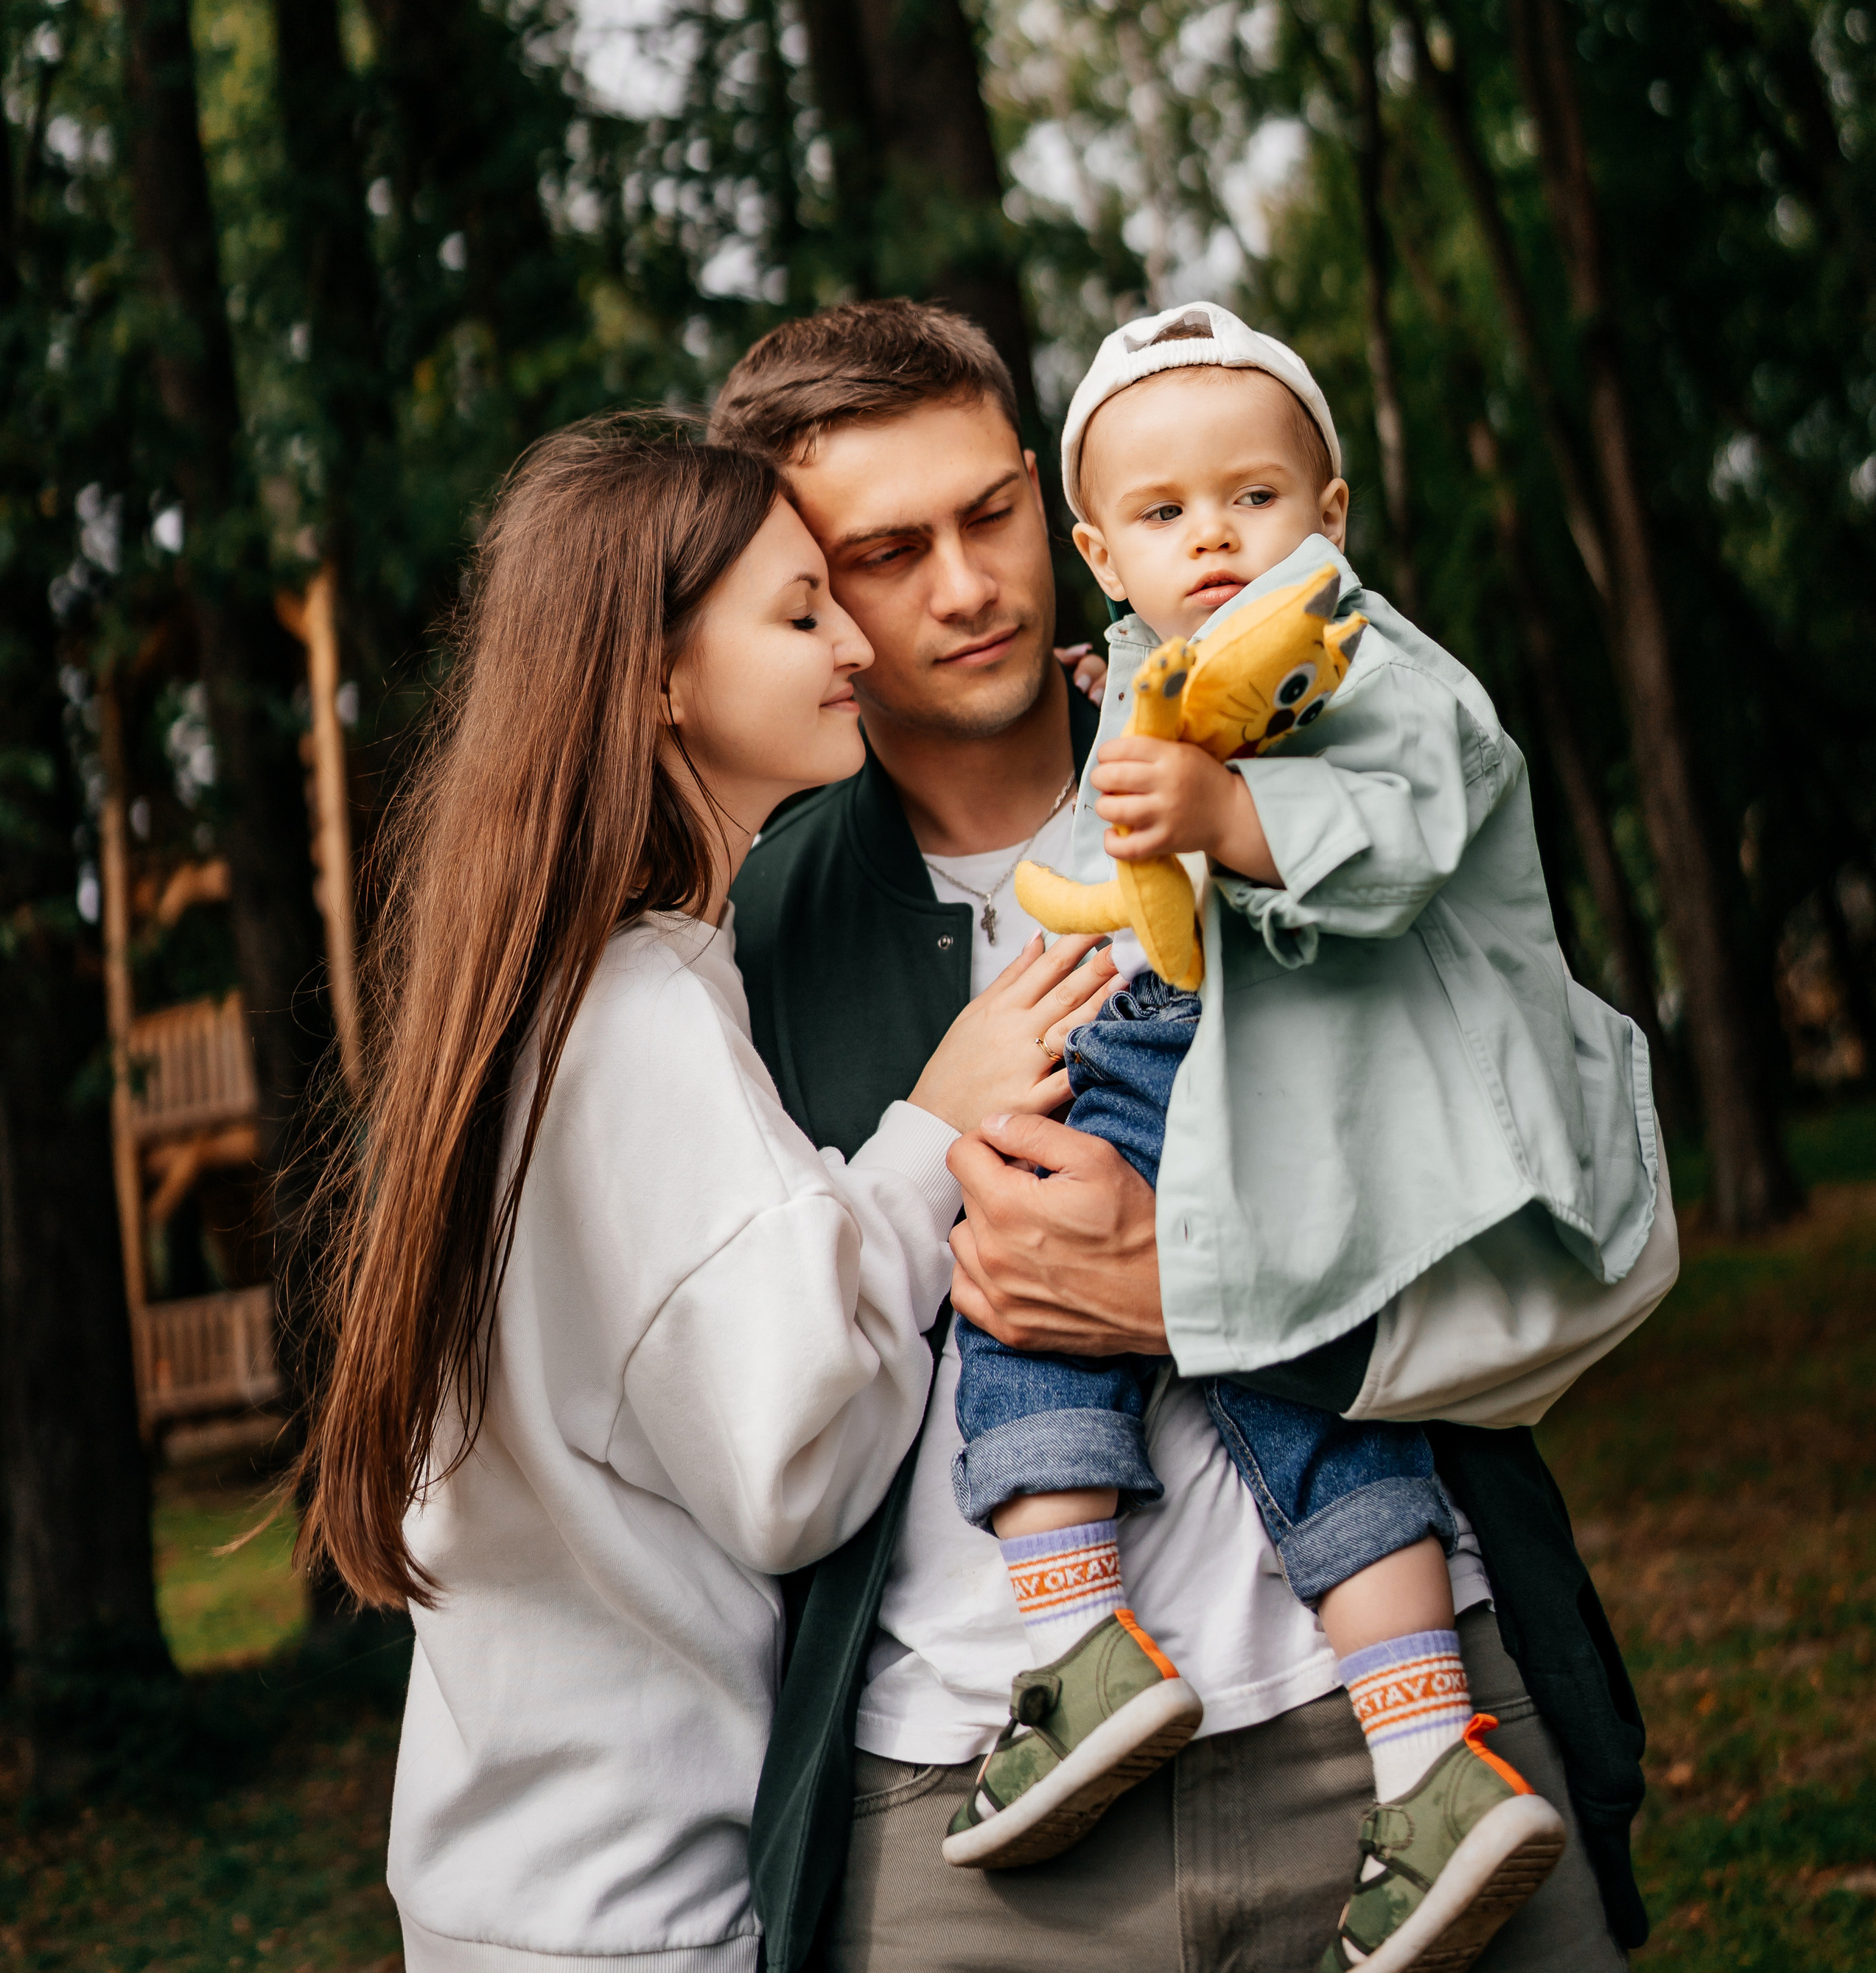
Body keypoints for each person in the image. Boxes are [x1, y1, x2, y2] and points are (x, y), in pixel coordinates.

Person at [713, 300, 1677, 1973]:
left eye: (988, 515)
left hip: (1390, 1731)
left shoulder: (1318, 771)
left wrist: (1197, 1298)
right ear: (806, 593)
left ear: (1046, 498)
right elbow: (720, 1417)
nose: (964, 587)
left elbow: (1608, 1228)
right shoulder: (748, 931)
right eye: (883, 552)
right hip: (961, 1823)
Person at [297, 418, 1117, 1973]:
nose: (856, 646)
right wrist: (932, 1132)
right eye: (801, 612)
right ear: (659, 678)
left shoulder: (554, 996)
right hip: (629, 1911)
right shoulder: (644, 1017)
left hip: (524, 1874)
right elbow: (788, 1462)